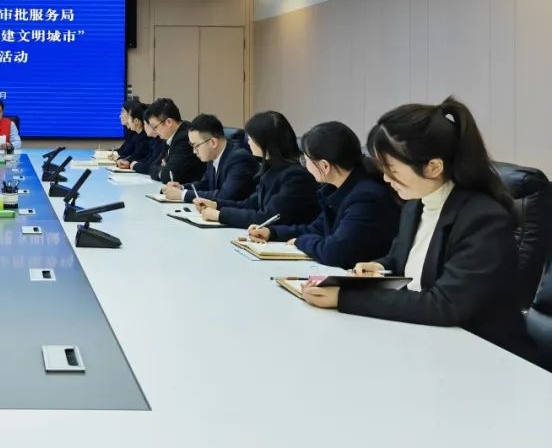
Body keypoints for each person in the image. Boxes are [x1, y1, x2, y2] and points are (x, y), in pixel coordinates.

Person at [301, 98, 536, 361]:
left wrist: (344, 298)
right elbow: (404, 261)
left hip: (484, 354)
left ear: (433, 167)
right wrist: (381, 266)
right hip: (426, 342)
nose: (385, 178)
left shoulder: (484, 219)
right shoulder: (416, 205)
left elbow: (445, 304)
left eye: (392, 170)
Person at [246, 121, 399, 268]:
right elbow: (317, 229)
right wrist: (272, 233)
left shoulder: (365, 198)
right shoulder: (336, 188)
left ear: (324, 166)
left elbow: (334, 252)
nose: (304, 166)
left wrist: (300, 241)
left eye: (306, 160)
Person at [192, 110, 317, 228]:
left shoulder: (296, 176)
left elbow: (268, 218)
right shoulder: (270, 167)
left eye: (251, 138)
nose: (248, 142)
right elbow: (251, 204)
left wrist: (220, 215)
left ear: (265, 141)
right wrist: (216, 205)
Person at [163, 113, 257, 203]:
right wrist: (182, 188)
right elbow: (206, 184)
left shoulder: (239, 159)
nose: (194, 151)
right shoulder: (213, 154)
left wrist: (183, 195)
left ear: (213, 143)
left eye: (196, 146)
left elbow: (225, 196)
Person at [142, 98, 205, 183]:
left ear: (169, 122)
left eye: (155, 127)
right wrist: (164, 168)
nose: (154, 131)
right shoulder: (168, 136)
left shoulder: (185, 138)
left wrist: (164, 169)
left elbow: (168, 176)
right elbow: (153, 166)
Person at [115, 102, 151, 168]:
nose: (128, 121)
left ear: (136, 121)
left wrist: (129, 162)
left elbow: (138, 155)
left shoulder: (145, 138)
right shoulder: (137, 136)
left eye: (129, 118)